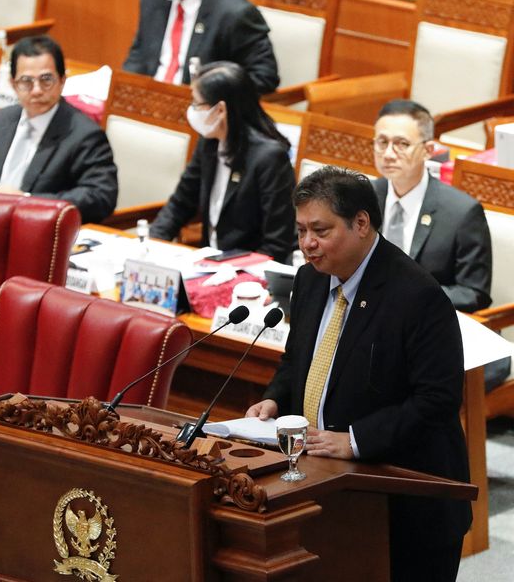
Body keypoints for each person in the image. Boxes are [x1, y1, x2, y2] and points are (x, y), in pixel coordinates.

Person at [247, 167, 471, 581]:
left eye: (320, 230)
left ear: (362, 223)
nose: (307, 245)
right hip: (325, 489)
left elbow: (437, 401)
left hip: (405, 503)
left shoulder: (418, 296)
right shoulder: (310, 279)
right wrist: (275, 397)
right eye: (300, 231)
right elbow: (298, 359)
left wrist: (356, 440)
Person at [0, 35, 118, 223]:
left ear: (62, 81)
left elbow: (100, 196)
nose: (36, 90)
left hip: (40, 231)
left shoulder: (84, 134)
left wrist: (27, 201)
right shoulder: (3, 120)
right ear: (13, 84)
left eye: (46, 80)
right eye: (26, 81)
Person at [149, 61, 296, 263]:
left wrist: (229, 272)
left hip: (250, 275)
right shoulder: (209, 143)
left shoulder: (269, 159)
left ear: (220, 110)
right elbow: (180, 203)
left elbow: (277, 244)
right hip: (208, 265)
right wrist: (151, 245)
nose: (191, 110)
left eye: (196, 103)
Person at [372, 99, 492, 313]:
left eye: (402, 144)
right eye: (382, 142)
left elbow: (474, 293)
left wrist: (411, 295)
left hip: (426, 326)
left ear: (428, 150)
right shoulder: (365, 196)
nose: (388, 154)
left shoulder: (461, 212)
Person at [123, 0, 279, 95]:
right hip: (149, 100)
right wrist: (124, 88)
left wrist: (210, 93)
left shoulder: (235, 13)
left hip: (202, 109)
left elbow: (264, 78)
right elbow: (139, 55)